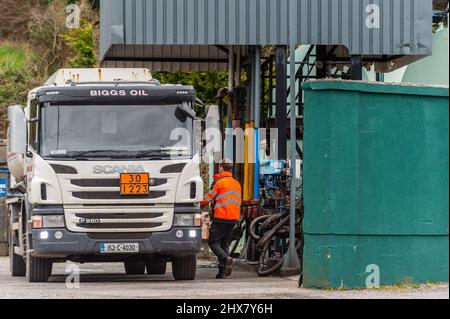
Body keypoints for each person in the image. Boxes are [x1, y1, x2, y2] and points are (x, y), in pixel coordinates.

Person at [201, 159, 242, 279]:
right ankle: (222, 273)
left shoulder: (219, 183)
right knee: (225, 244)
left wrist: (198, 206)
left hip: (220, 218)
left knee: (213, 243)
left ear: (221, 168)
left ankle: (225, 258)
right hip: (233, 218)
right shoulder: (237, 183)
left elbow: (208, 198)